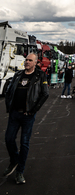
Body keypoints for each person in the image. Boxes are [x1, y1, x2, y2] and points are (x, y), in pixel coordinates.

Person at [3, 53, 49, 185]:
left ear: (35, 63)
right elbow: (9, 91)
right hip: (14, 114)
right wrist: (9, 107)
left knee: (24, 143)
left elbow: (45, 94)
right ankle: (14, 160)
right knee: (9, 139)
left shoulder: (40, 76)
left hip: (27, 116)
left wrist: (34, 110)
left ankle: (20, 172)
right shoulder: (18, 75)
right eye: (26, 60)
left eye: (30, 60)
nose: (27, 62)